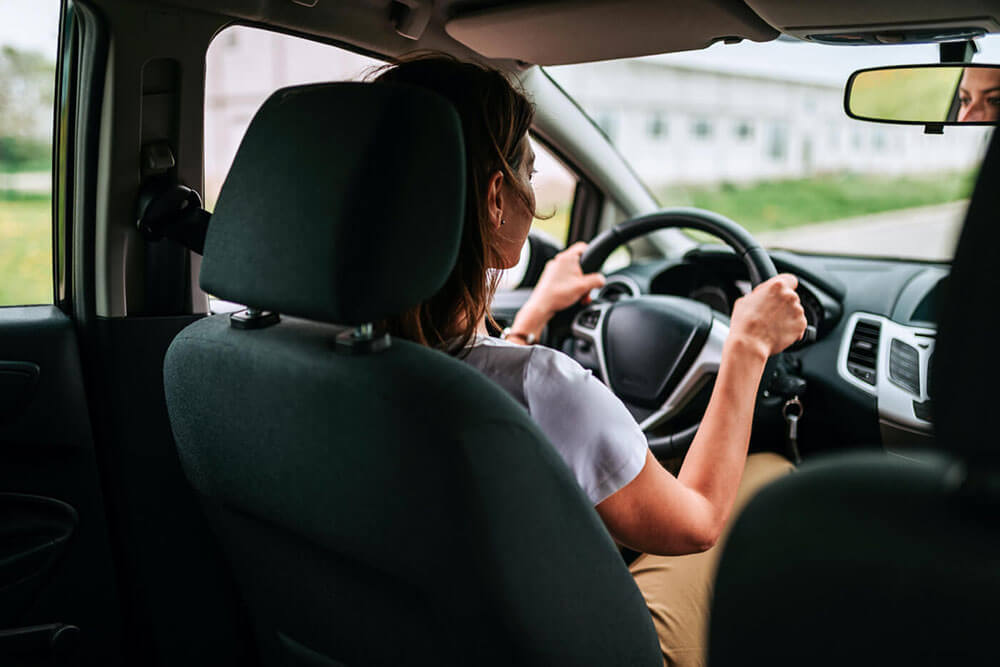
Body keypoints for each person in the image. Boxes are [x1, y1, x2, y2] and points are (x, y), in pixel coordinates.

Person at [373, 54, 807, 666]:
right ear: (497, 198)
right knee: (763, 473)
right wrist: (748, 345)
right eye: (527, 170)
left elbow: (470, 371)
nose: (534, 191)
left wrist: (529, 319)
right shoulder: (542, 388)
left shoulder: (282, 354)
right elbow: (697, 521)